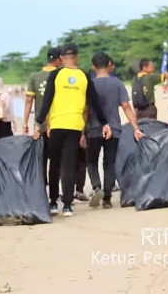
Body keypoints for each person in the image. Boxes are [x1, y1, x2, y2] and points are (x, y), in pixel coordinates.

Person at [34, 43, 111, 217]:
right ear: (76, 56)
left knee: (54, 165)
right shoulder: (84, 76)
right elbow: (94, 102)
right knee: (69, 165)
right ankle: (67, 205)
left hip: (56, 125)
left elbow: (46, 102)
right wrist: (104, 122)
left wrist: (39, 124)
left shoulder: (55, 74)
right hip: (75, 126)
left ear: (61, 58)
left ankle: (53, 203)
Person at [86, 52, 144, 209]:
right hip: (114, 128)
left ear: (93, 66)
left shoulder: (89, 84)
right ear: (109, 63)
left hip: (93, 128)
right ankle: (107, 198)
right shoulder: (117, 83)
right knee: (109, 163)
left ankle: (96, 186)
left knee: (91, 161)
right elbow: (126, 107)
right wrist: (135, 127)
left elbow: (85, 109)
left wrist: (81, 130)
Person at [24, 47, 62, 187]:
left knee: (41, 160)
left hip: (39, 126)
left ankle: (41, 190)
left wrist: (25, 123)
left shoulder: (35, 77)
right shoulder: (61, 75)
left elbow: (29, 101)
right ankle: (55, 191)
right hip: (58, 123)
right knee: (57, 160)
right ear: (58, 59)